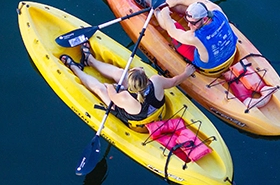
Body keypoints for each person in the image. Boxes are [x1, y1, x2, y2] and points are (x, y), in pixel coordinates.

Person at [60, 42, 196, 128]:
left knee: (100, 89)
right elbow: (174, 82)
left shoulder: (125, 96)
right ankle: (90, 60)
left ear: (129, 85)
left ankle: (75, 68)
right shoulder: (156, 81)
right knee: (120, 73)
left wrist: (110, 86)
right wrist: (186, 73)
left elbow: (112, 95)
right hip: (156, 110)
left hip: (138, 121)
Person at [134, 0, 238, 74]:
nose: (188, 25)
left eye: (192, 23)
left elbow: (172, 30)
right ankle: (167, 2)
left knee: (170, 22)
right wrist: (177, 1)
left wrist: (165, 13)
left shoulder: (194, 38)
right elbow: (200, 0)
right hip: (230, 53)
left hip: (210, 66)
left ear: (205, 18)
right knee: (187, 10)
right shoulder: (217, 11)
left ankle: (154, 7)